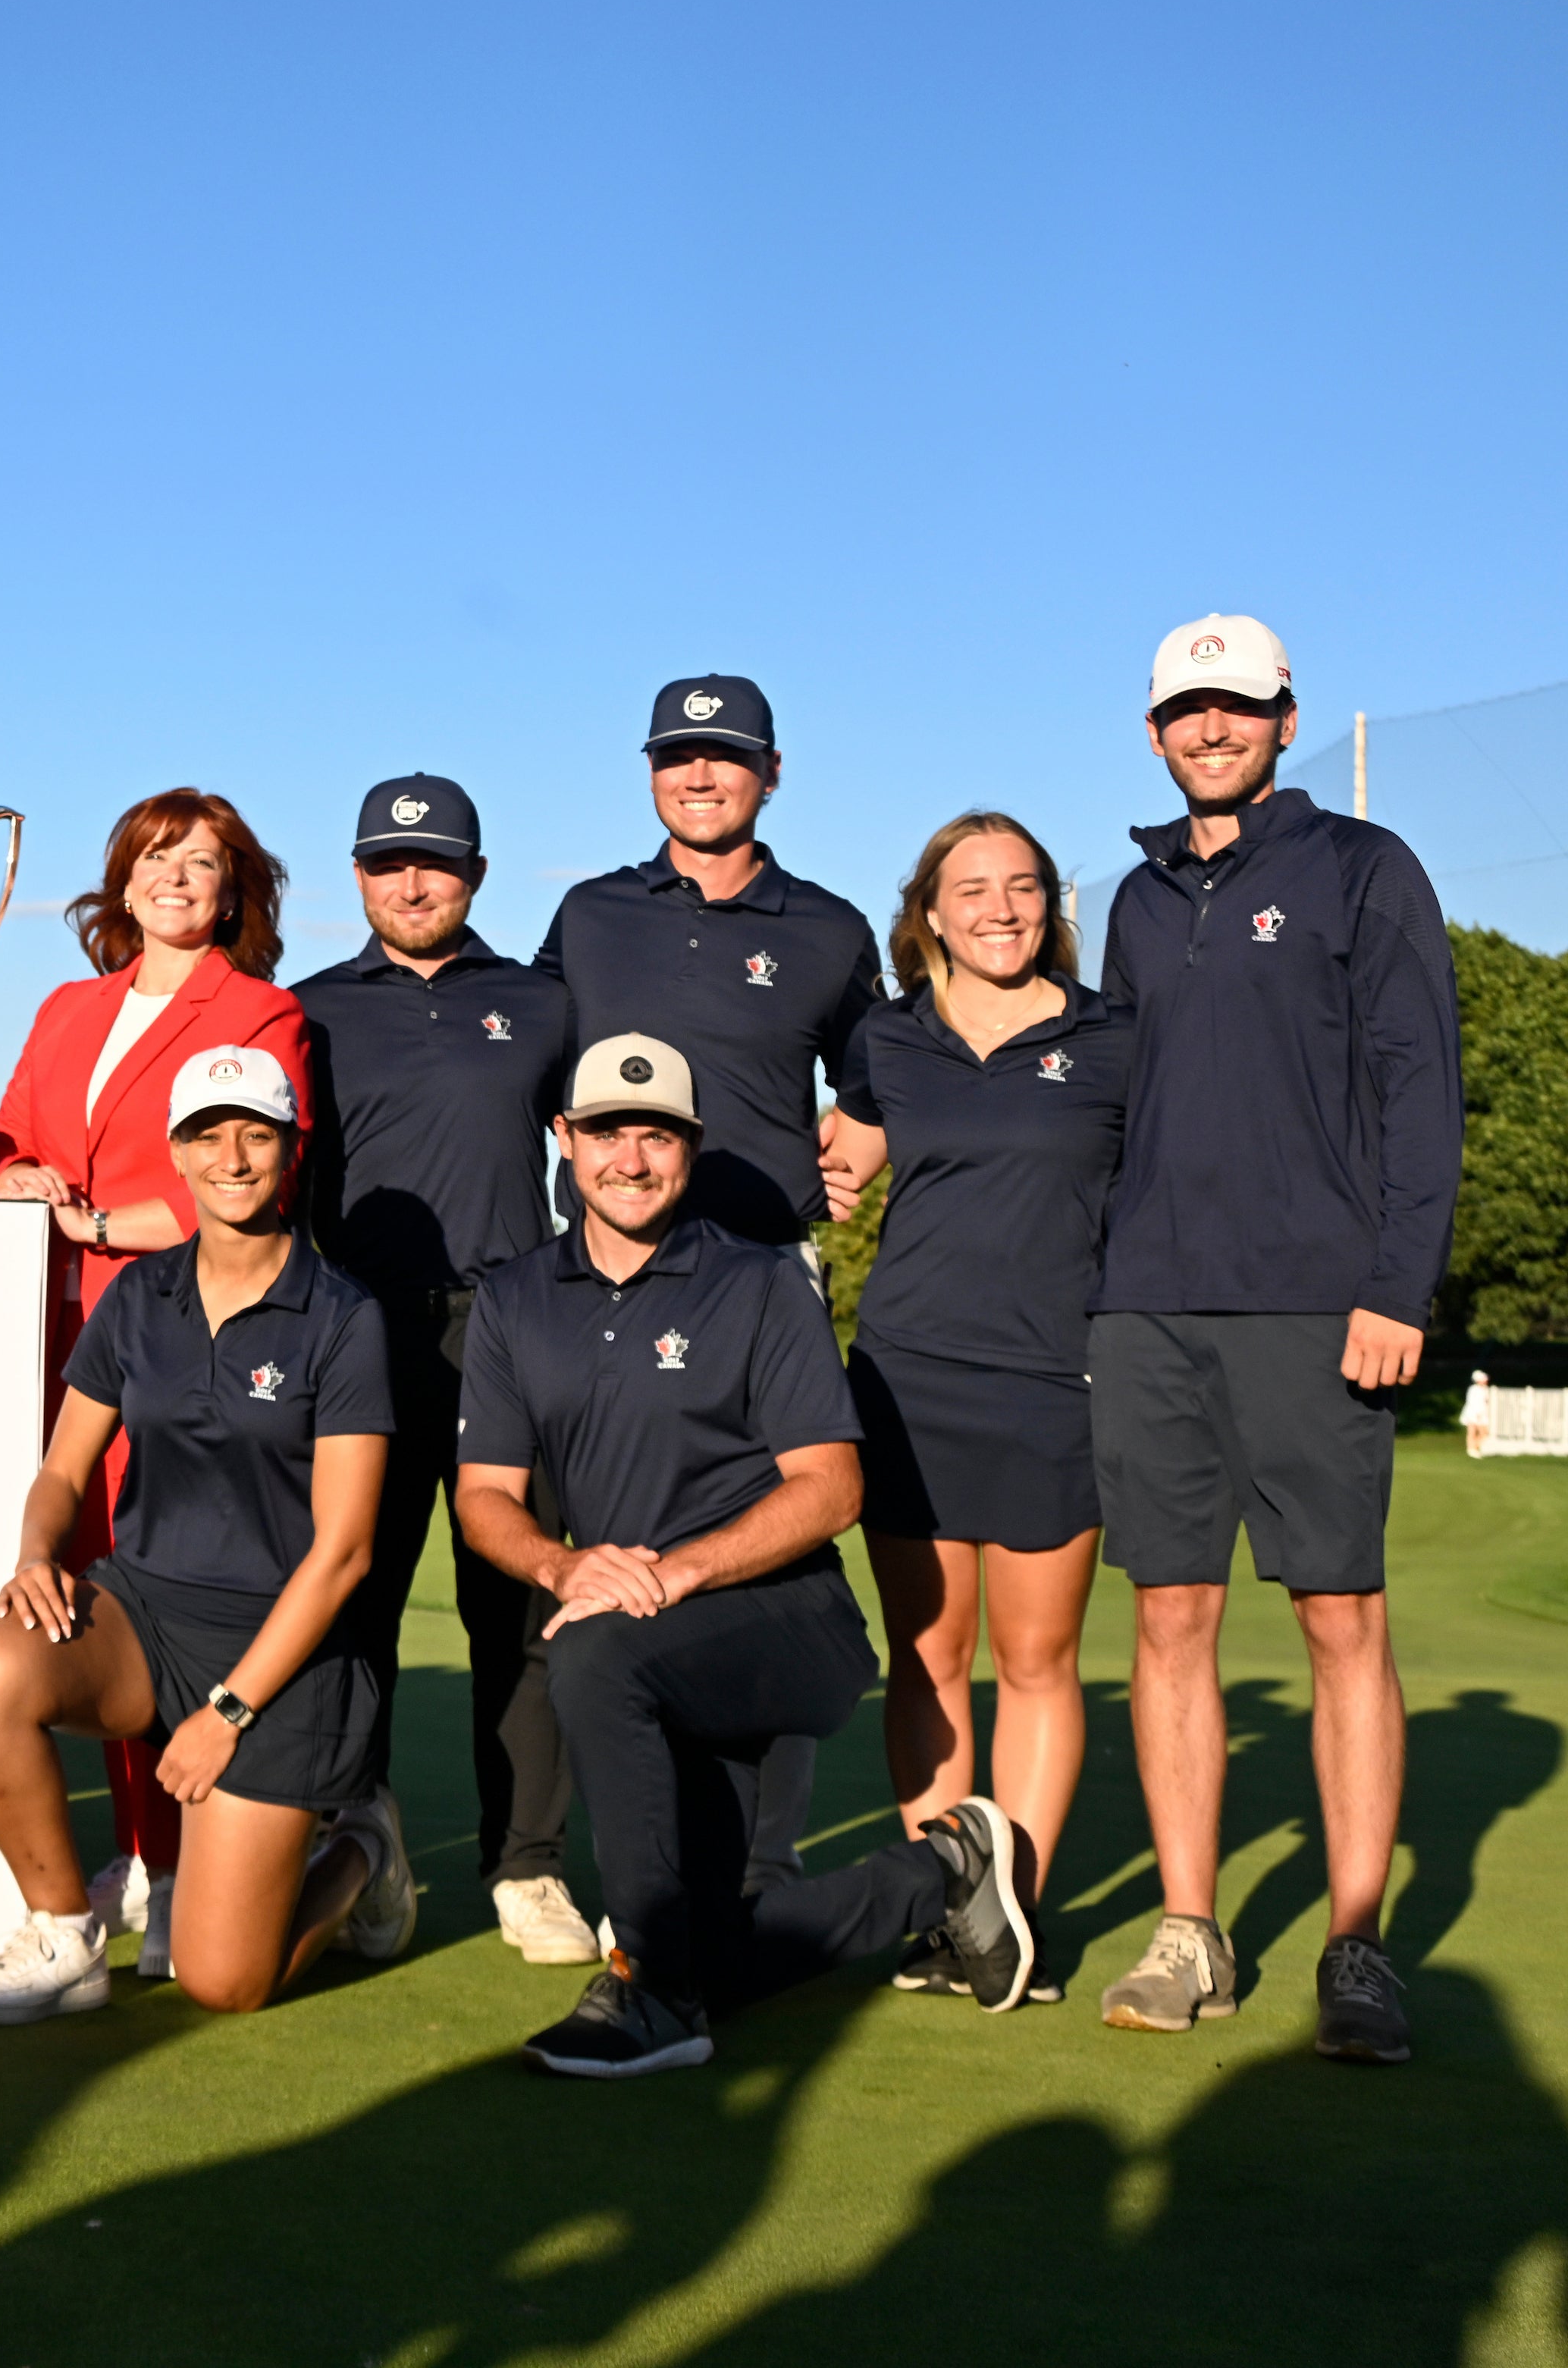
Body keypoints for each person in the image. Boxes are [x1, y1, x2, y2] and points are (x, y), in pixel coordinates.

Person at [453, 1033, 1034, 2078]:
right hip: (641, 1632)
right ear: (564, 1141)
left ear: (693, 1147)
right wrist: (562, 1566)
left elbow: (833, 1489)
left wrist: (672, 1573)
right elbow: (485, 1498)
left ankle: (651, 1990)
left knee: (591, 1656)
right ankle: (944, 1873)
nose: (630, 1159)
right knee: (718, 1947)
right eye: (605, 1133)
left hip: (787, 1624)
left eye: (656, 1135)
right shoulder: (514, 1298)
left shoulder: (761, 1283)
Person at [1083, 614, 1459, 2064]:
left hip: (1318, 1304)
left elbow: (1422, 1089)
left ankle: (1356, 1945)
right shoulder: (1130, 900)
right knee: (1170, 1622)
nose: (1212, 728)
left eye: (1238, 706)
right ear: (1158, 732)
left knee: (1339, 1620)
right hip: (1150, 1304)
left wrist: (1397, 1284)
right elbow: (1106, 1100)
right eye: (1188, 710)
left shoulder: (1365, 871)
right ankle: (1192, 1930)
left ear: (1286, 719)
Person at [0, 1046, 396, 2022]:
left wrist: (228, 1711)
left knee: (224, 1980)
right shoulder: (139, 1298)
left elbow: (345, 1551)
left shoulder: (344, 1316)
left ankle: (361, 1844)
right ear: (177, 1154)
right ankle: (63, 1930)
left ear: (291, 1151)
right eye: (207, 1134)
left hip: (290, 1647)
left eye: (256, 1134)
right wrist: (32, 1556)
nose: (232, 1155)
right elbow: (64, 1470)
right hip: (147, 1611)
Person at [534, 675, 884, 1892]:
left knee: (765, 1565)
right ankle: (641, 1854)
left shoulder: (830, 929)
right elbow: (534, 1077)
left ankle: (761, 1865)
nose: (700, 775)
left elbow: (885, 1076)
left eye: (726, 758)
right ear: (648, 773)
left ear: (770, 775)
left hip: (762, 1291)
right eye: (678, 756)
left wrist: (854, 1146)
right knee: (613, 1563)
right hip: (608, 1286)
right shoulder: (589, 915)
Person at [0, 787, 311, 1976]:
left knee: (156, 1590)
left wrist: (99, 1220)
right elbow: (9, 1141)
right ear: (121, 881)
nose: (178, 877)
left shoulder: (261, 1012)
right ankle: (130, 1854)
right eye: (157, 857)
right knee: (80, 1589)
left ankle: (175, 1860)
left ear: (236, 891)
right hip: (50, 1333)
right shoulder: (70, 1006)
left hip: (180, 1339)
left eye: (205, 861)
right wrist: (16, 1179)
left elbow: (251, 1166)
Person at [814, 814, 1131, 2006]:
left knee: (1039, 1660)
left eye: (1024, 887)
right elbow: (841, 1161)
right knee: (930, 1657)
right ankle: (951, 1906)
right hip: (906, 1380)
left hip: (1060, 1383)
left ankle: (1015, 1916)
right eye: (973, 889)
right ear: (930, 913)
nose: (1000, 908)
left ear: (1051, 903)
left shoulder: (1113, 1035)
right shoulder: (888, 1040)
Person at [289, 773, 591, 1969]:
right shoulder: (304, 1010)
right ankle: (356, 1836)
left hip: (509, 1336)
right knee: (350, 1596)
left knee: (513, 1614)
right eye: (386, 865)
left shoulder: (542, 1001)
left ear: (474, 873)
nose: (412, 884)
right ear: (358, 876)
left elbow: (613, 1149)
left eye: (437, 864)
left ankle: (528, 1866)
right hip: (355, 1331)